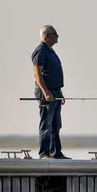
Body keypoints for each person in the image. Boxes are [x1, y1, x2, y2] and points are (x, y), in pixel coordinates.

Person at [31, 25, 70, 159]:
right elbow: (37, 73)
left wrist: (59, 92)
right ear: (47, 36)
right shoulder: (41, 50)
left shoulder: (50, 51)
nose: (57, 36)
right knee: (46, 123)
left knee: (56, 124)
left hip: (56, 92)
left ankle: (56, 153)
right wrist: (46, 92)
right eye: (55, 34)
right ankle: (44, 153)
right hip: (46, 93)